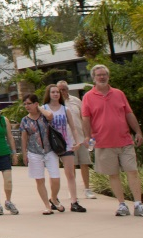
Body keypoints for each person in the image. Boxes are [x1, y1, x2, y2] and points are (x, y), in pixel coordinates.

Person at [81, 64, 143, 217]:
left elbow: (129, 114)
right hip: (103, 142)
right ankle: (122, 205)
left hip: (125, 141)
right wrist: (87, 136)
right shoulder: (88, 97)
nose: (102, 77)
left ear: (108, 76)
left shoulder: (119, 93)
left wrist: (138, 132)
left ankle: (138, 205)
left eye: (104, 74)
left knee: (132, 171)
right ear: (93, 78)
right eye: (98, 75)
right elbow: (86, 118)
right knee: (113, 174)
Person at [42, 84, 86, 213]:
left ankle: (74, 201)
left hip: (65, 143)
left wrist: (77, 142)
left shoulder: (65, 109)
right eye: (53, 92)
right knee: (54, 174)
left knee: (70, 173)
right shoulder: (44, 108)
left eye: (57, 92)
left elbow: (72, 127)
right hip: (51, 145)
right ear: (48, 94)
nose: (56, 94)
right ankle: (54, 198)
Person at [19, 94, 61, 215]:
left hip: (49, 151)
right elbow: (24, 138)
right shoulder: (25, 120)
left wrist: (40, 108)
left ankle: (53, 198)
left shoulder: (44, 116)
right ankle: (47, 206)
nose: (27, 106)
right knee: (39, 179)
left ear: (36, 103)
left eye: (29, 103)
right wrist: (24, 153)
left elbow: (50, 115)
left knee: (55, 177)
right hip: (34, 152)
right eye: (25, 104)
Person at [58, 80, 95, 199]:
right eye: (60, 90)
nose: (62, 91)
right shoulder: (57, 104)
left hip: (81, 137)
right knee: (70, 166)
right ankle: (72, 189)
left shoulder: (76, 101)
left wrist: (88, 136)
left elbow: (84, 118)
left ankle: (87, 189)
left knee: (85, 163)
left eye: (64, 89)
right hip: (67, 140)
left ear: (67, 89)